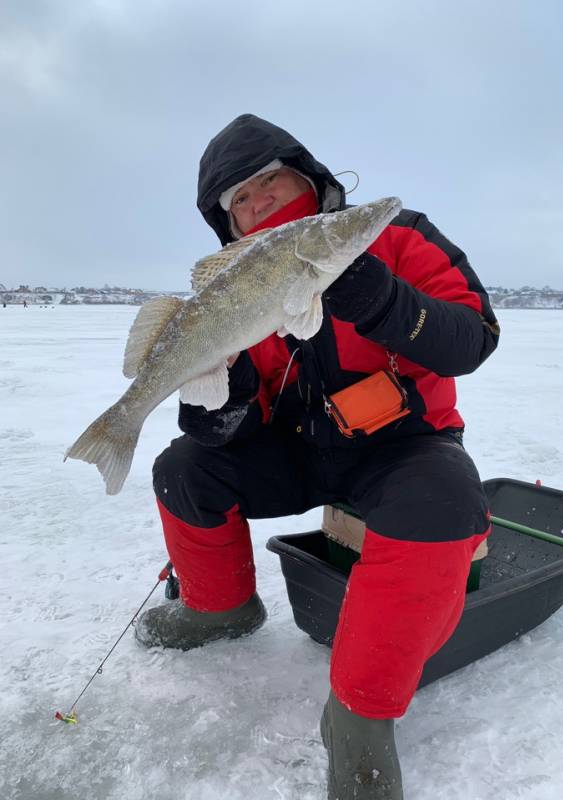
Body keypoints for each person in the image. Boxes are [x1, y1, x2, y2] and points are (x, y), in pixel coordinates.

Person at [135, 113, 500, 799]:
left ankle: (359, 717)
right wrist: (217, 405)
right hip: (302, 451)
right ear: (227, 223)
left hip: (404, 449)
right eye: (237, 199)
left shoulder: (396, 237)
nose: (255, 202)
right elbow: (246, 421)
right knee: (185, 466)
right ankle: (221, 608)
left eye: (267, 180)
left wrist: (383, 300)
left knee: (445, 502)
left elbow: (473, 337)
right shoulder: (236, 288)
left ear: (305, 176)